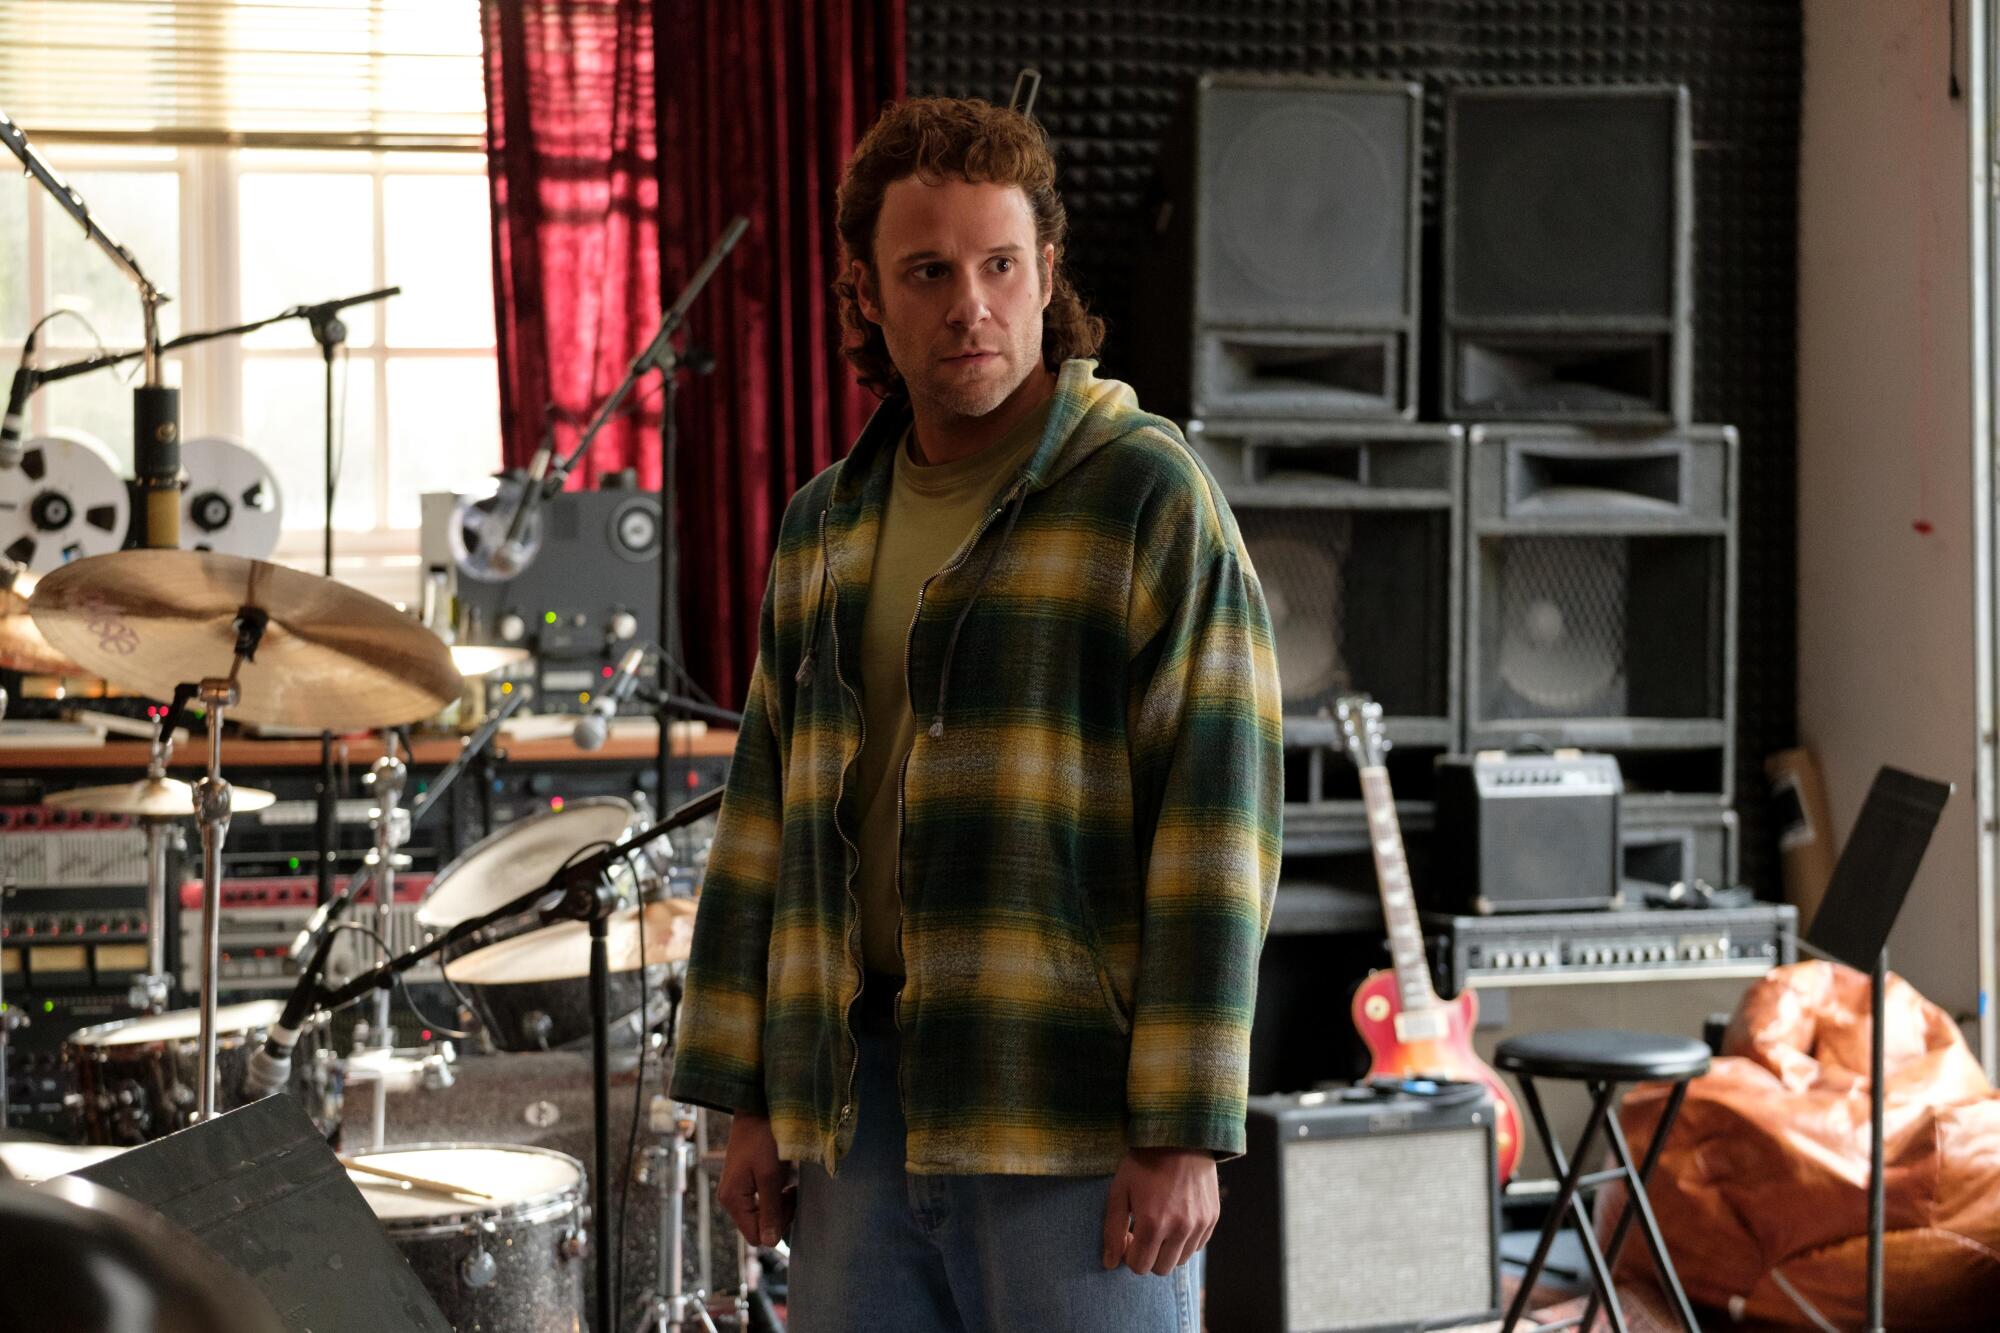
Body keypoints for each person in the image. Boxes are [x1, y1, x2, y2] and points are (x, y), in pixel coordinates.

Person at [669, 95, 1282, 1332]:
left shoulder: (1146, 497)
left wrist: (1182, 1127)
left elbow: (1219, 829)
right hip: (851, 1109)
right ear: (865, 291)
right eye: (928, 270)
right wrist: (743, 1098)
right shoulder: (821, 527)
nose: (970, 304)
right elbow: (760, 835)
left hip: (1063, 1106)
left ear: (1045, 272)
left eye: (1001, 265)